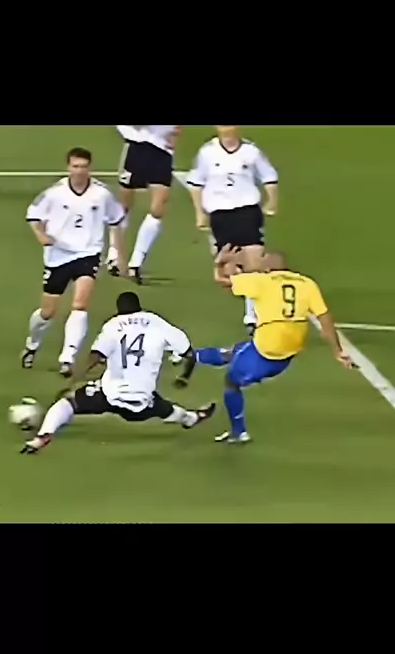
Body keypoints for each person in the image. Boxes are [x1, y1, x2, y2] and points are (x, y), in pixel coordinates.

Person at [173, 247, 355, 444]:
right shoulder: (306, 283)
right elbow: (325, 318)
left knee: (231, 381)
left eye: (262, 259)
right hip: (289, 348)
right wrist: (337, 351)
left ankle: (239, 432)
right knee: (236, 352)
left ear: (267, 268)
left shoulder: (262, 281)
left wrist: (220, 263)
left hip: (268, 349)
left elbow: (221, 280)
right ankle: (193, 356)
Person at [21, 291, 216, 454]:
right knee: (163, 408)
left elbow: (95, 357)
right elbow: (190, 354)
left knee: (68, 403)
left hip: (109, 394)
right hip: (141, 400)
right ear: (139, 307)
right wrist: (184, 376)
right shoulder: (157, 323)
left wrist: (71, 383)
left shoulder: (114, 324)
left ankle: (42, 437)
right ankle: (192, 418)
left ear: (119, 309)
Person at [21, 147, 127, 378]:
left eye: (84, 166)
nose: (79, 171)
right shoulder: (55, 193)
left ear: (90, 167)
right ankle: (32, 344)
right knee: (48, 312)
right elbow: (33, 215)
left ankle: (67, 358)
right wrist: (41, 235)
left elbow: (117, 220)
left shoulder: (102, 194)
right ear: (68, 167)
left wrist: (117, 253)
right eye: (75, 166)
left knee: (80, 305)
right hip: (58, 255)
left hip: (88, 253)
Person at [186, 125, 279, 335]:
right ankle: (249, 298)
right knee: (230, 270)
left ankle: (251, 316)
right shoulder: (207, 153)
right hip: (221, 214)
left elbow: (269, 176)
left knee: (254, 262)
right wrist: (200, 213)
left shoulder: (251, 151)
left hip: (248, 211)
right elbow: (195, 183)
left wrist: (272, 201)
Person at [107, 125, 182, 284]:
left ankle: (136, 264)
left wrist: (175, 132)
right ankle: (114, 255)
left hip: (162, 151)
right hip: (137, 146)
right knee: (123, 207)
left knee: (158, 209)